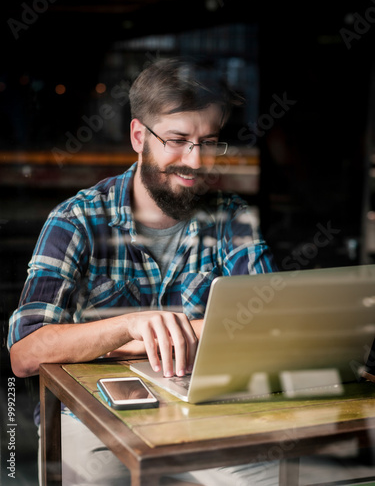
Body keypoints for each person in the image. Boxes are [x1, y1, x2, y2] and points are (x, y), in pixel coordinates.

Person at [8, 58, 278, 485]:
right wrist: (133, 325)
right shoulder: (75, 219)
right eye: (177, 140)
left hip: (204, 409)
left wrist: (123, 341)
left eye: (208, 141)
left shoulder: (232, 218)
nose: (196, 160)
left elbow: (271, 326)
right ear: (139, 136)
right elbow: (24, 354)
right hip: (92, 414)